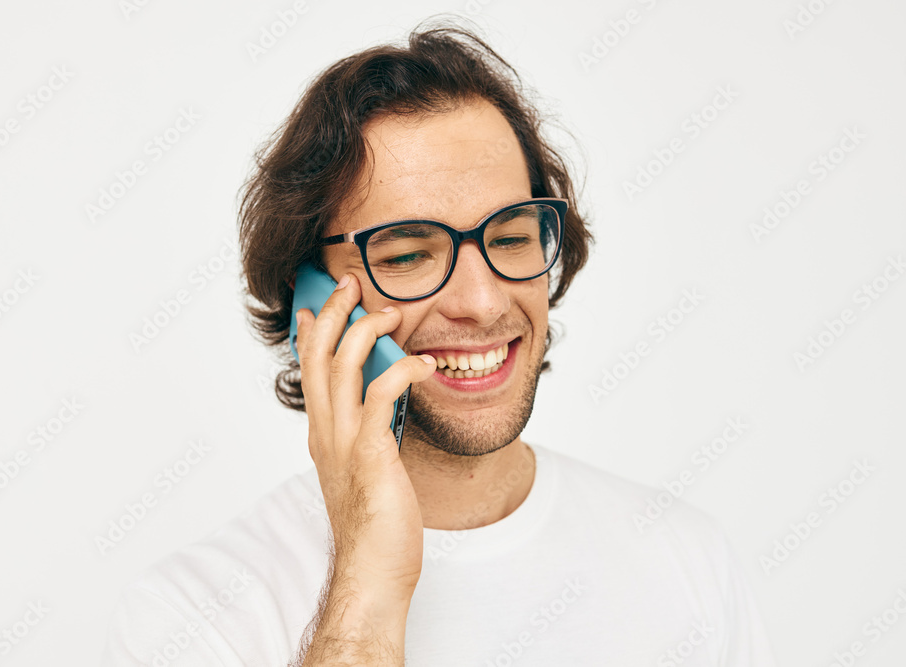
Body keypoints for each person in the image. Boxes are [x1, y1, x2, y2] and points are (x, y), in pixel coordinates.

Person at [102, 23, 776, 666]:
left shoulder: (688, 564)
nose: (482, 302)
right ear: (311, 297)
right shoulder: (190, 616)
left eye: (511, 238)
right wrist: (367, 575)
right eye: (408, 256)